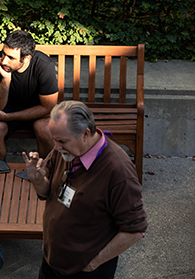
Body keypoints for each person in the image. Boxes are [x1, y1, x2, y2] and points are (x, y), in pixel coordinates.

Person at [23, 100, 148, 279]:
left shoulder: (118, 170)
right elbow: (47, 193)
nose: (56, 147)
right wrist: (37, 180)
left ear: (85, 134)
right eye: (54, 140)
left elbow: (135, 230)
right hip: (52, 261)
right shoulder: (65, 151)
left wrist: (94, 263)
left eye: (61, 141)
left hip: (86, 271)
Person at [0, 30, 58, 162]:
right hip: (5, 108)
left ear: (26, 58)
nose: (4, 61)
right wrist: (5, 81)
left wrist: (8, 117)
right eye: (4, 54)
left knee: (46, 130)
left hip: (37, 110)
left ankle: (46, 173)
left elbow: (48, 107)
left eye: (11, 58)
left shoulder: (44, 66)